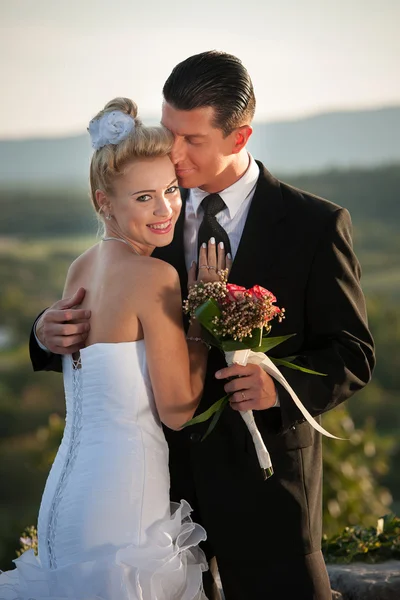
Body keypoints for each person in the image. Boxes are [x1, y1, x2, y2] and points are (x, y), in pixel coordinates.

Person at [29, 52, 375, 600]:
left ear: (239, 138)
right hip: (155, 498)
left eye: (192, 140)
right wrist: (44, 333)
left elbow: (352, 352)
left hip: (267, 493)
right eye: (169, 132)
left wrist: (279, 387)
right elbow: (105, 314)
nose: (173, 151)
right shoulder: (148, 205)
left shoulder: (315, 225)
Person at [0, 97, 232, 599]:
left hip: (68, 493)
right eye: (144, 197)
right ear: (105, 202)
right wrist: (203, 316)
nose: (166, 208)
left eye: (170, 190)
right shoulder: (156, 276)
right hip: (123, 495)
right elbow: (176, 410)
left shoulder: (80, 268)